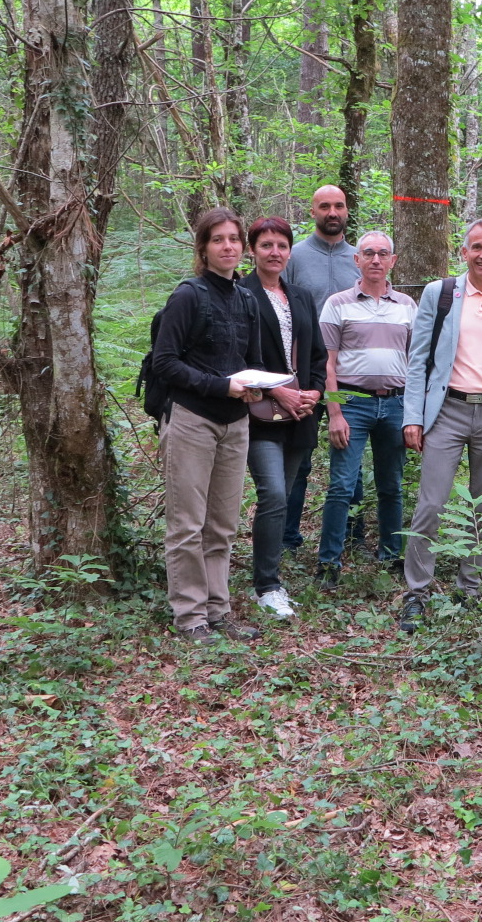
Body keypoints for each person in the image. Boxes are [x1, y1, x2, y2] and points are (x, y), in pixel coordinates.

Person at [399, 219, 482, 632]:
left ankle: (469, 589)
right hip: (446, 412)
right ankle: (416, 593)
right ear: (464, 252)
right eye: (476, 247)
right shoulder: (440, 294)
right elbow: (418, 360)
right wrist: (413, 417)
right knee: (431, 505)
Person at [149, 207, 263, 643]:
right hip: (192, 420)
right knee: (187, 524)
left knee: (222, 524)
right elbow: (165, 363)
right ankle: (190, 616)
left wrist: (252, 386)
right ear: (203, 248)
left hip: (236, 423)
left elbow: (245, 362)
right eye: (219, 239)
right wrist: (221, 387)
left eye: (235, 239)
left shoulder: (247, 298)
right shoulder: (188, 296)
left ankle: (218, 610)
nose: (228, 246)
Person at [315, 231, 417, 589]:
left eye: (383, 254)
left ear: (393, 261)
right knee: (341, 486)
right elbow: (326, 363)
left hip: (395, 403)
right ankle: (329, 563)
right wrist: (335, 413)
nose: (376, 259)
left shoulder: (406, 305)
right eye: (368, 253)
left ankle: (391, 555)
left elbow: (417, 362)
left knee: (392, 486)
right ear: (356, 259)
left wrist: (414, 415)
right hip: (352, 403)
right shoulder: (337, 303)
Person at [240, 216, 325, 617]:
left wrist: (315, 391)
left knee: (287, 493)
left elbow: (318, 356)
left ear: (291, 251)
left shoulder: (302, 296)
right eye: (266, 245)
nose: (274, 253)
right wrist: (276, 390)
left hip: (301, 414)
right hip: (258, 414)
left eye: (281, 245)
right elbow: (235, 358)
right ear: (251, 250)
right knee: (272, 493)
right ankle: (267, 585)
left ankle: (270, 572)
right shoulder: (241, 294)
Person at [282, 185, 362, 552]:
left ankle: (352, 530)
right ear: (312, 211)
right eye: (325, 206)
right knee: (297, 458)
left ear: (347, 211)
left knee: (351, 453)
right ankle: (286, 536)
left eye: (339, 206)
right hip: (301, 374)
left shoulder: (360, 259)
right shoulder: (294, 257)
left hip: (348, 375)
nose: (333, 212)